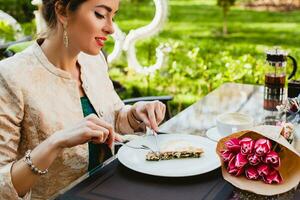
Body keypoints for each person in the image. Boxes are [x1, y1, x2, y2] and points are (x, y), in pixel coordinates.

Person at [0, 0, 166, 199]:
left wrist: (135, 114)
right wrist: (55, 143)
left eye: (113, 16)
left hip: (111, 188)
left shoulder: (93, 60)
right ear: (62, 11)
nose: (111, 28)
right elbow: (2, 186)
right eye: (100, 15)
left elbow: (113, 117)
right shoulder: (11, 76)